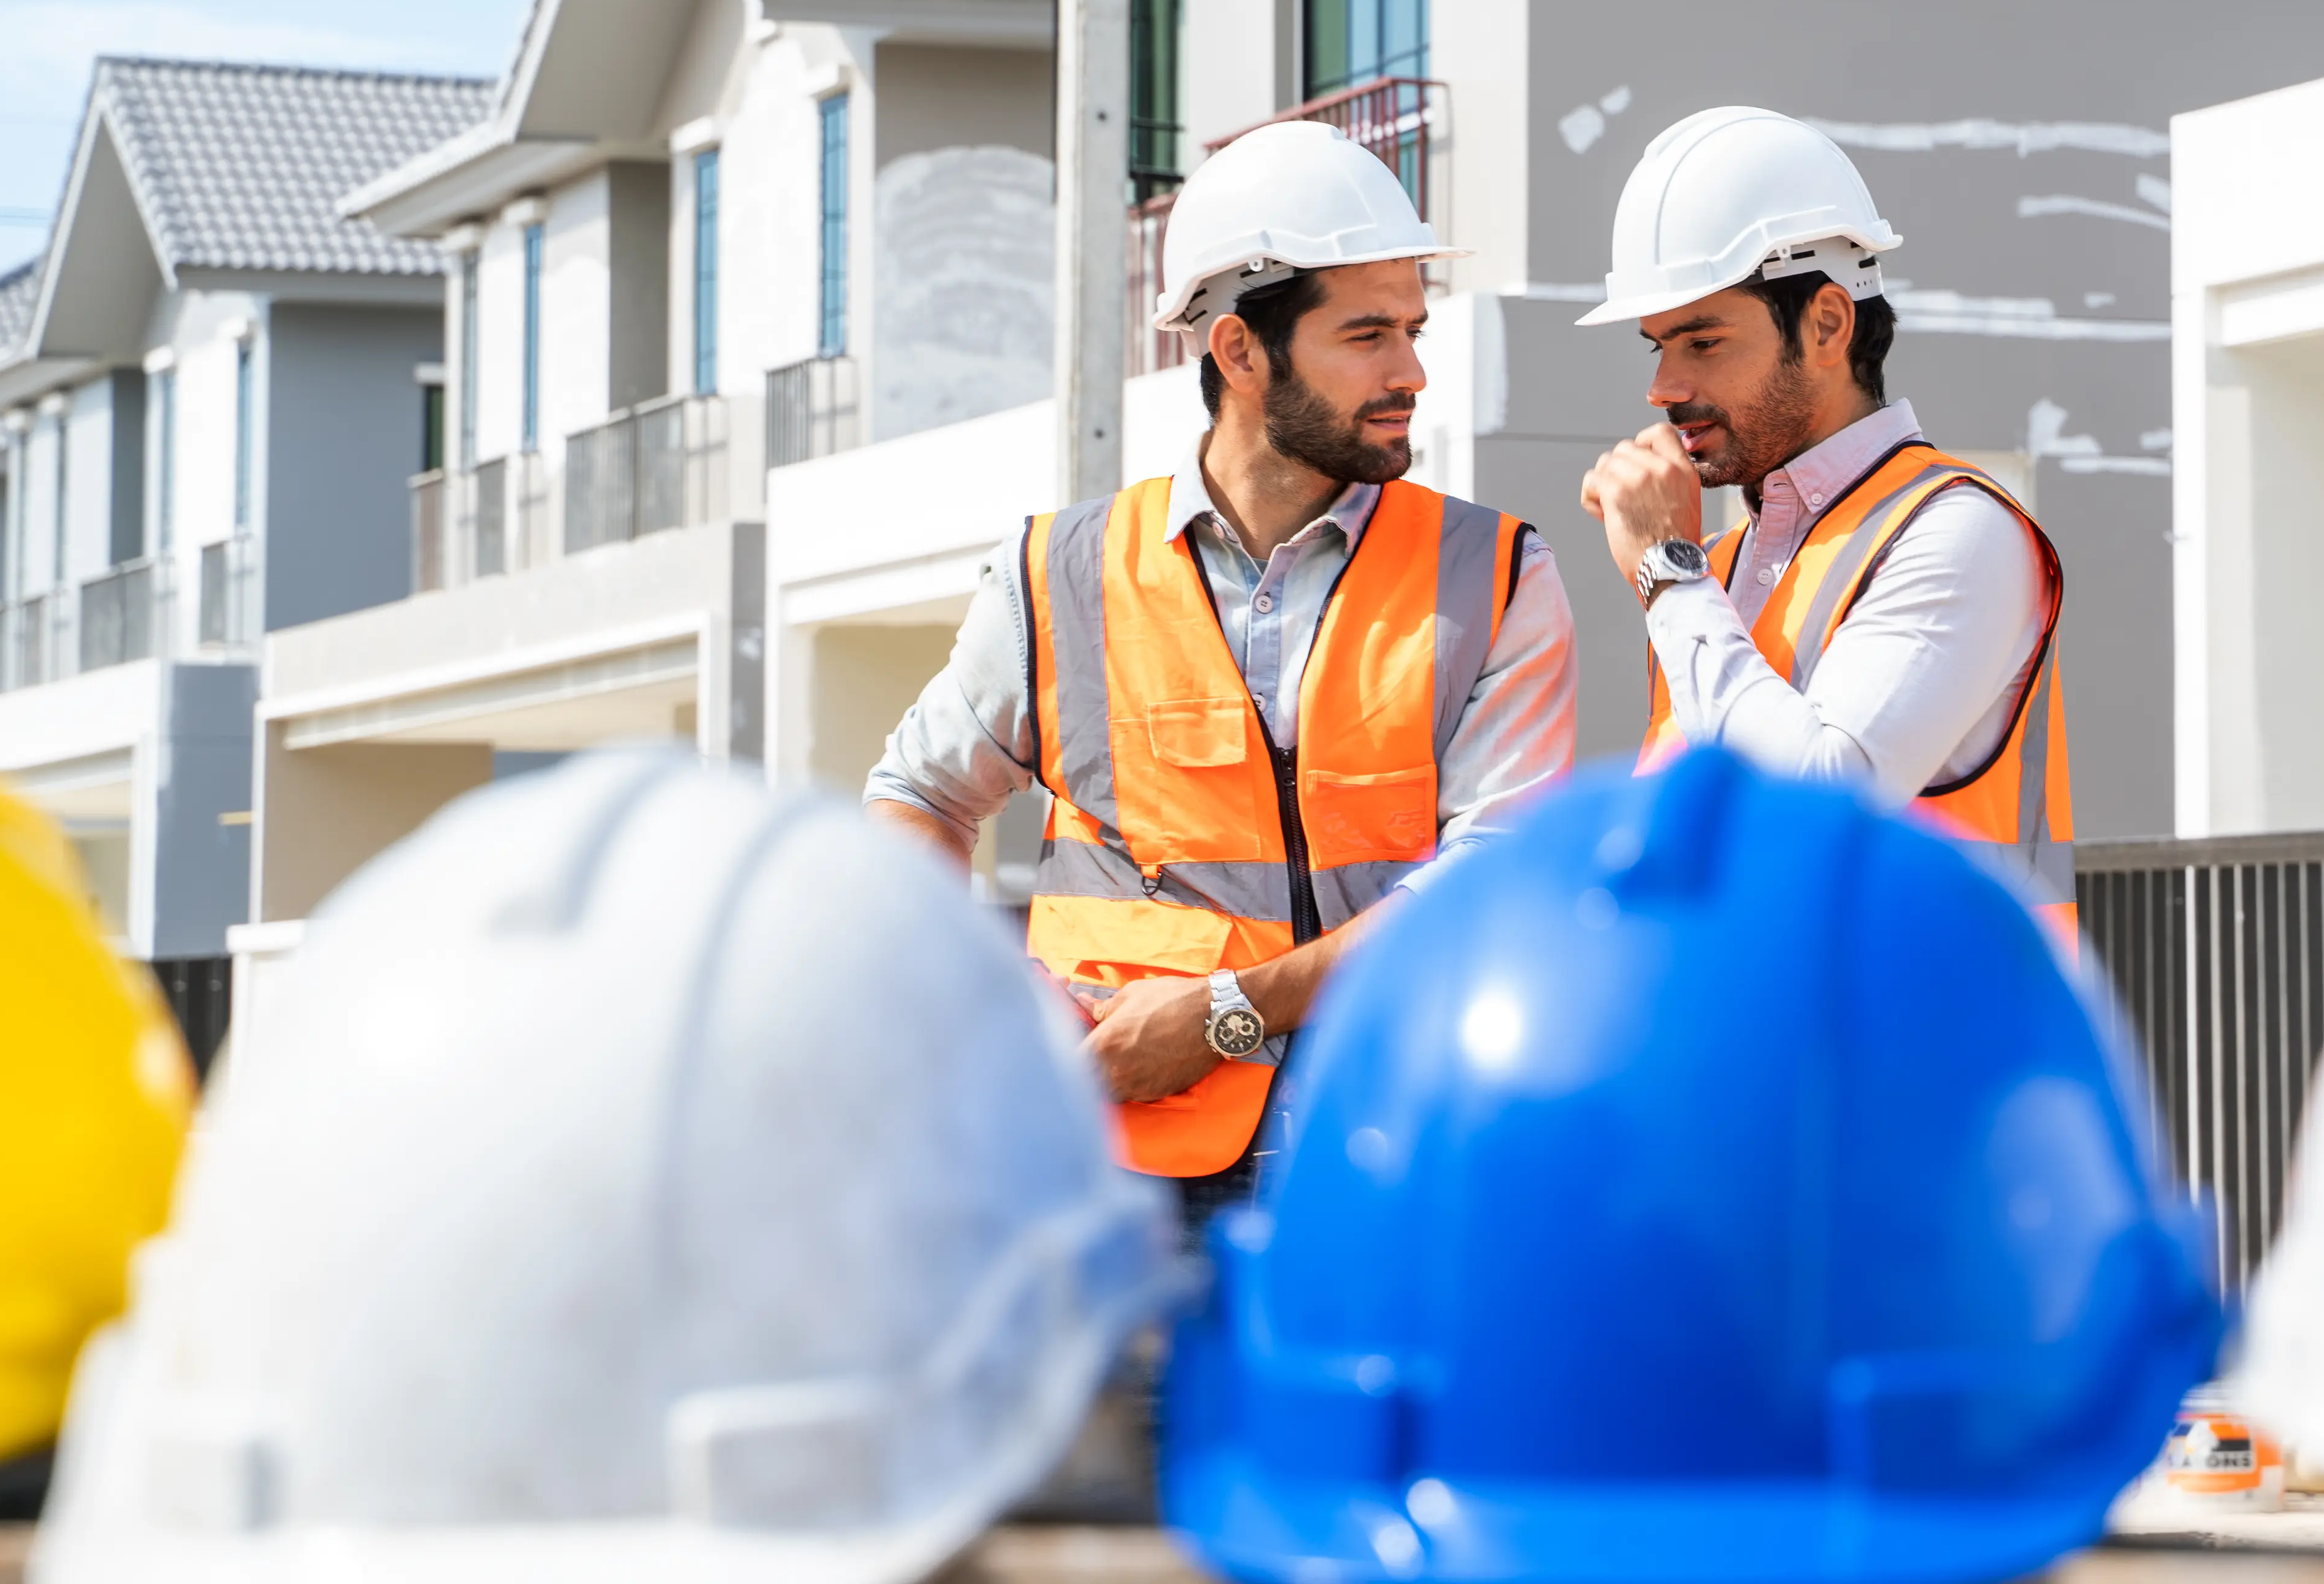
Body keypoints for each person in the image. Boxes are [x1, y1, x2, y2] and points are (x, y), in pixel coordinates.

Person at [867, 121, 1576, 1215]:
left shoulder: (1495, 576)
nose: (1411, 372)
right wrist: (996, 999)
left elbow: (1493, 883)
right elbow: (914, 796)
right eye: (1369, 335)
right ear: (1240, 351)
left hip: (1390, 1173)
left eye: (1414, 330)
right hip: (1107, 1182)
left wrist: (1224, 1015)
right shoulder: (1058, 574)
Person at [1576, 106, 2072, 930]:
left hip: (1930, 1052)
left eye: (1702, 342)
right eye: (1656, 344)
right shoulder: (1723, 566)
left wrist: (1666, 571)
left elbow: (1817, 805)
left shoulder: (1958, 530)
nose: (1662, 386)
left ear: (1829, 324)